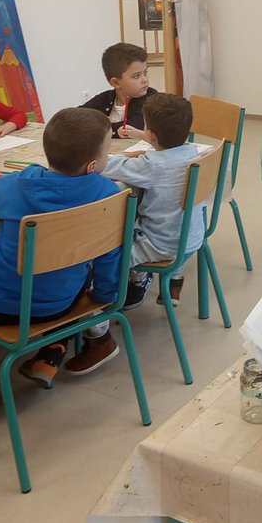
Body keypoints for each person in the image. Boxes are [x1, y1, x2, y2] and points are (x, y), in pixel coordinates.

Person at [0, 107, 122, 402]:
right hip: (62, 305)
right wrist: (104, 296)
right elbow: (109, 256)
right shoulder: (108, 194)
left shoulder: (15, 185)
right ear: (93, 165)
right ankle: (51, 353)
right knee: (75, 269)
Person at [65, 94, 206, 375]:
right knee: (132, 225)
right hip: (190, 238)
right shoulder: (196, 153)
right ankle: (140, 281)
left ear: (151, 135)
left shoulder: (152, 166)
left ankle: (99, 338)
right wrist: (145, 142)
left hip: (160, 243)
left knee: (97, 260)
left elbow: (106, 166)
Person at [81, 41, 157, 140]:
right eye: (136, 76)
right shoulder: (105, 98)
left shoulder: (152, 99)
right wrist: (98, 120)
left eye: (145, 73)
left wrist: (101, 124)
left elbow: (131, 128)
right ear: (116, 83)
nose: (145, 80)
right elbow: (75, 117)